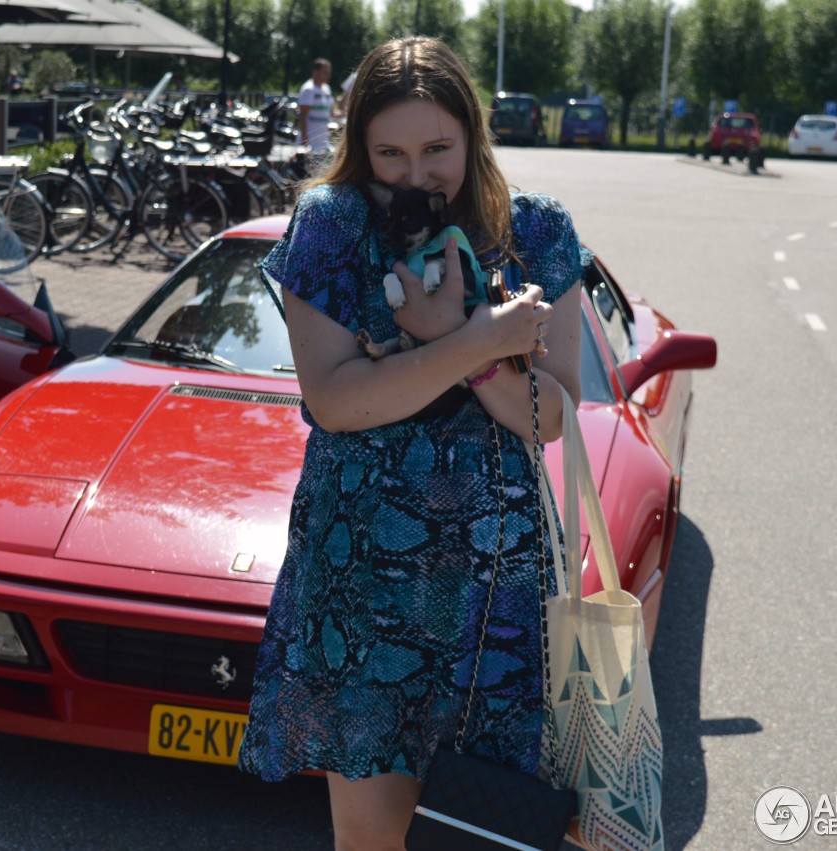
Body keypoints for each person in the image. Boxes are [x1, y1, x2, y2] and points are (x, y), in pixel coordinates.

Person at [236, 36, 588, 850]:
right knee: (370, 836)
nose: (416, 173)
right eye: (389, 152)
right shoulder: (331, 226)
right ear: (359, 146)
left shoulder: (536, 229)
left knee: (482, 830)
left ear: (474, 138)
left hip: (494, 582)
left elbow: (553, 418)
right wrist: (472, 344)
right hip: (362, 575)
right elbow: (335, 401)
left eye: (438, 149)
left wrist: (453, 345)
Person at [297, 57, 337, 152]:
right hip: (311, 142)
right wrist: (305, 141)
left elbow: (332, 113)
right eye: (325, 72)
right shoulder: (308, 89)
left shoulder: (327, 89)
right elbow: (303, 116)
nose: (328, 75)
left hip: (323, 142)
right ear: (315, 72)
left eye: (329, 72)